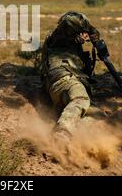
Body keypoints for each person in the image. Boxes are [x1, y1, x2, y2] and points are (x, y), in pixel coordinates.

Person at [41, 11, 104, 140]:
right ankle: (61, 133)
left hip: (61, 87)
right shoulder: (57, 37)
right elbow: (72, 20)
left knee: (98, 116)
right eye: (76, 30)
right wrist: (86, 31)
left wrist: (90, 36)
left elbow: (89, 32)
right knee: (81, 99)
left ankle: (80, 142)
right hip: (64, 79)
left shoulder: (67, 39)